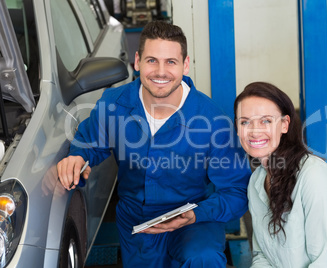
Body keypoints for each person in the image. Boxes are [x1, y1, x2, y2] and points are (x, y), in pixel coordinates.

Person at [57, 21, 250, 267]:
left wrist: (195, 214)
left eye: (171, 61)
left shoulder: (213, 121)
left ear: (185, 65)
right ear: (137, 61)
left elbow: (236, 191)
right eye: (152, 60)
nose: (161, 72)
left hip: (193, 219)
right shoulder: (114, 104)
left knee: (203, 258)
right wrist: (78, 157)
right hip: (138, 222)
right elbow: (89, 139)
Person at [234, 82, 327, 267]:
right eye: (245, 122)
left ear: (284, 124)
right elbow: (263, 256)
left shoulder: (313, 177)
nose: (254, 131)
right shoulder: (256, 182)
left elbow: (325, 262)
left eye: (266, 121)